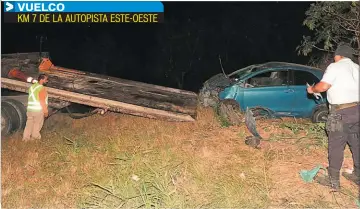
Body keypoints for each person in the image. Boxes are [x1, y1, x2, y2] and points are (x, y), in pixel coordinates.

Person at [307, 43, 359, 191]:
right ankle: (358, 175)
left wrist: (312, 89)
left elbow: (323, 86)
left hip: (340, 113)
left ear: (338, 55)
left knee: (336, 145)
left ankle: (333, 181)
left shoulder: (335, 67)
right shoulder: (357, 68)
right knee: (356, 144)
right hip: (357, 111)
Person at [22, 74, 49, 141]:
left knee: (29, 124)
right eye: (46, 79)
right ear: (42, 80)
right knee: (37, 124)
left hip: (30, 110)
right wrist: (45, 111)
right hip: (38, 110)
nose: (47, 81)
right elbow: (42, 100)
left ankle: (25, 138)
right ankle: (35, 137)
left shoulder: (32, 87)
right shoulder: (41, 88)